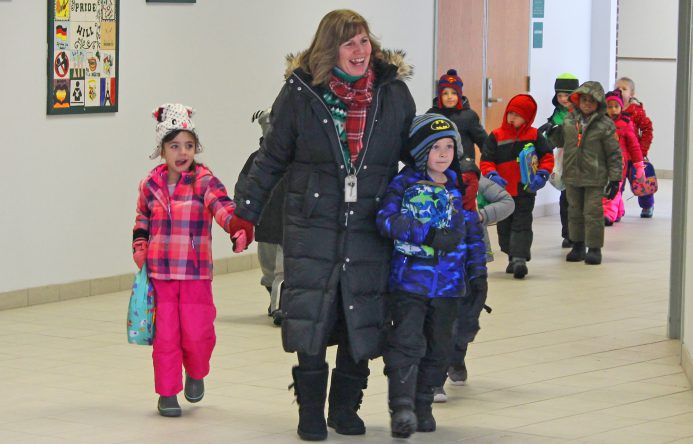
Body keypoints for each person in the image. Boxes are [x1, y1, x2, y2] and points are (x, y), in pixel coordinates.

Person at [231, 9, 416, 441]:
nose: (359, 51)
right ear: (328, 49)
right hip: (312, 221)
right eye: (349, 43)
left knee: (363, 315)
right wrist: (247, 211)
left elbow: (418, 152)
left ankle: (345, 408)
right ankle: (310, 410)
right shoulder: (300, 94)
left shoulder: (393, 95)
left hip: (372, 222)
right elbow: (272, 156)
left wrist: (454, 184)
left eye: (364, 41)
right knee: (310, 316)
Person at [131, 103, 250, 417]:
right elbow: (142, 218)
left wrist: (237, 228)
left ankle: (196, 372)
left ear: (196, 148)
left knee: (197, 334)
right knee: (166, 337)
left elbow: (224, 207)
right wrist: (140, 245)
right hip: (161, 275)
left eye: (188, 145)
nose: (182, 152)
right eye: (174, 146)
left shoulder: (204, 182)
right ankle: (167, 393)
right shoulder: (150, 185)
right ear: (162, 151)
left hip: (195, 275)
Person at [376, 113, 487, 438]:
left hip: (449, 287)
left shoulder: (457, 186)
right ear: (420, 151)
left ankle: (423, 403)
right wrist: (425, 234)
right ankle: (403, 408)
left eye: (449, 146)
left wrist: (477, 273)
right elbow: (385, 220)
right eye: (435, 147)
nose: (443, 153)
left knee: (440, 348)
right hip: (410, 283)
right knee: (408, 344)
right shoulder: (404, 184)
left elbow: (471, 232)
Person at [433, 168, 513, 403]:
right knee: (442, 320)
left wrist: (482, 216)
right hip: (440, 261)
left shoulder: (477, 179)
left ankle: (457, 356)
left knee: (468, 317)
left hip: (474, 260)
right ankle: (435, 379)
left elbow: (507, 202)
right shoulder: (426, 181)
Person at [480, 94, 554, 279]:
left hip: (525, 190)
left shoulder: (535, 135)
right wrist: (492, 175)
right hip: (502, 193)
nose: (512, 118)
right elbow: (486, 160)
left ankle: (519, 258)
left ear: (527, 117)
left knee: (522, 224)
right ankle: (511, 254)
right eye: (510, 113)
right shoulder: (496, 136)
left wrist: (542, 175)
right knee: (504, 227)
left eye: (517, 115)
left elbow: (547, 157)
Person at [550, 81, 622, 265]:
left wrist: (615, 179)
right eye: (584, 100)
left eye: (592, 100)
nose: (587, 104)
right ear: (577, 101)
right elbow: (559, 141)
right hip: (572, 175)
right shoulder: (568, 120)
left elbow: (614, 153)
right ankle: (578, 245)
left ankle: (595, 247)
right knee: (574, 212)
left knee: (593, 213)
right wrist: (551, 132)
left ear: (599, 103)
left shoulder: (605, 125)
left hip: (595, 177)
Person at [234, 108, 286, 325]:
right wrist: (240, 215)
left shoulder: (294, 160)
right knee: (268, 270)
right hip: (264, 224)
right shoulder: (255, 160)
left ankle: (280, 307)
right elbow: (244, 187)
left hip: (287, 225)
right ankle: (274, 297)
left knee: (283, 273)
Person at [427, 68, 488, 207]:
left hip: (464, 169)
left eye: (454, 93)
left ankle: (472, 226)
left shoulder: (468, 116)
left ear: (460, 94)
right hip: (438, 169)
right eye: (445, 93)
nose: (450, 97)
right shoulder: (432, 115)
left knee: (465, 205)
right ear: (439, 95)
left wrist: (490, 164)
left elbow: (484, 141)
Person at [538, 73, 580, 248]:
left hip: (580, 160)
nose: (563, 99)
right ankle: (568, 234)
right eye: (560, 95)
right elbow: (553, 137)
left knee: (578, 200)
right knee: (565, 198)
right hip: (564, 161)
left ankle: (578, 234)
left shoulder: (582, 112)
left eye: (567, 95)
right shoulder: (558, 113)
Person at [602, 90, 645, 225]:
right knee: (610, 188)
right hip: (603, 163)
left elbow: (634, 147)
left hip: (620, 164)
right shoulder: (600, 124)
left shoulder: (626, 124)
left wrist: (639, 166)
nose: (613, 110)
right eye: (609, 106)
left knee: (612, 188)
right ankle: (618, 210)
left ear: (621, 107)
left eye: (616, 106)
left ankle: (608, 214)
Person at [615, 77, 655, 217]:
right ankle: (615, 209)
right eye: (617, 88)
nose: (620, 90)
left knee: (641, 183)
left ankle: (647, 205)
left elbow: (647, 129)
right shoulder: (612, 109)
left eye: (624, 89)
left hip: (634, 155)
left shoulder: (636, 111)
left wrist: (642, 149)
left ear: (631, 94)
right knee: (616, 184)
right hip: (617, 156)